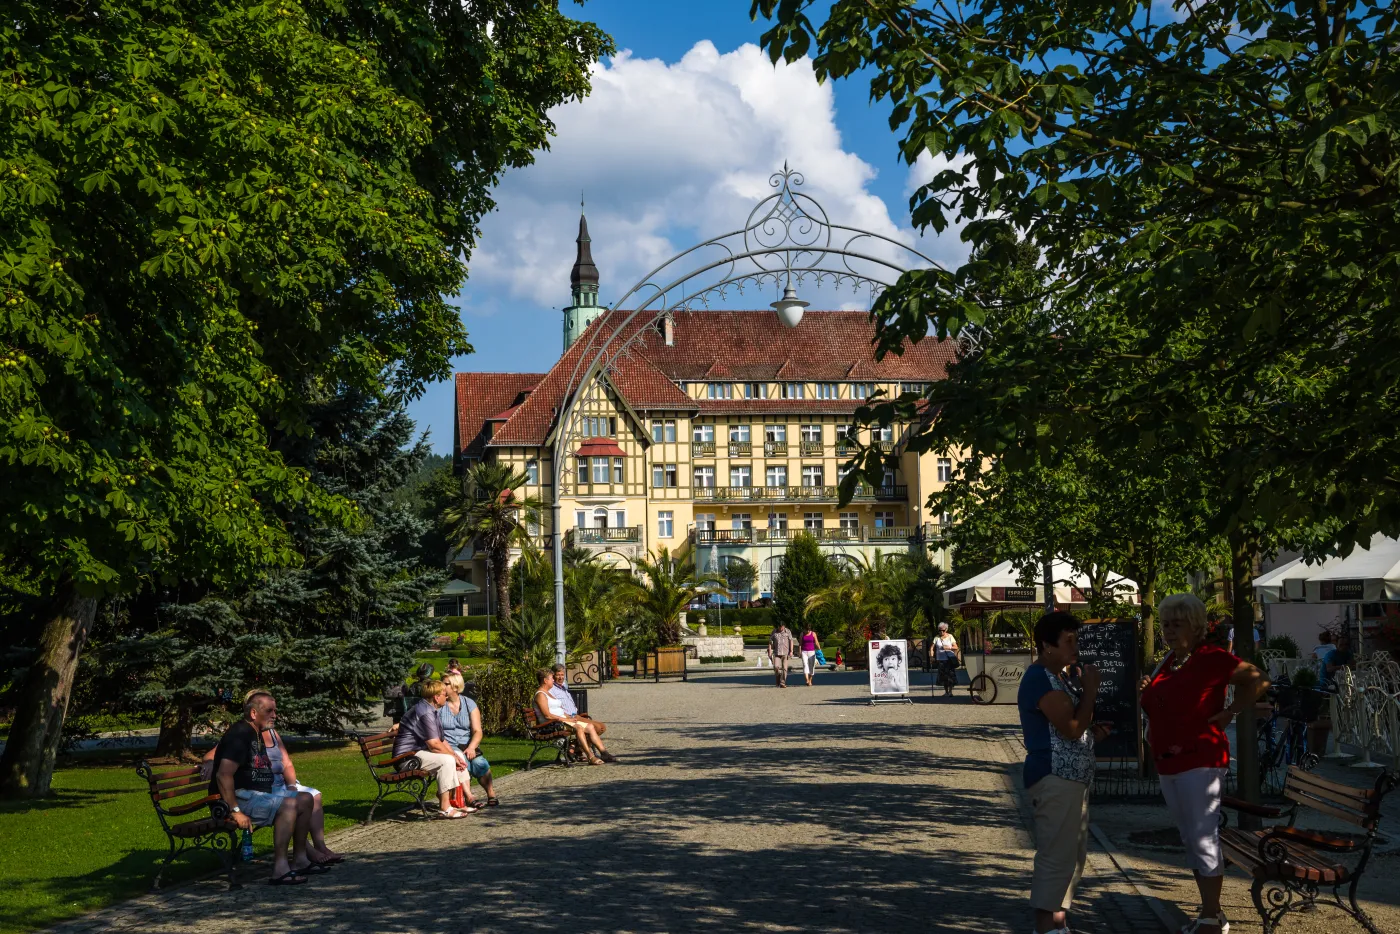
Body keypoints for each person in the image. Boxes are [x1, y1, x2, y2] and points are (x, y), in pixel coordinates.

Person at [1140, 593, 1270, 934]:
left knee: (1202, 837)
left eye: (1176, 623)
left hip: (1201, 758)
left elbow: (1260, 679)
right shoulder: (1168, 660)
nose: (1168, 630)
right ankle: (1210, 911)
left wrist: (1231, 711)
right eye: (1165, 623)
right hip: (1169, 761)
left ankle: (1211, 919)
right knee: (1190, 837)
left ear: (1195, 626)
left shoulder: (1211, 657)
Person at [1018, 612, 1108, 934]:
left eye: (1076, 639)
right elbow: (1069, 728)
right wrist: (1091, 691)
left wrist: (1092, 733)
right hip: (1055, 777)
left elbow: (1074, 728)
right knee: (1056, 856)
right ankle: (1046, 926)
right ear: (1047, 645)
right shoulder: (1040, 678)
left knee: (1072, 857)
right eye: (1068, 640)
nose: (1075, 646)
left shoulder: (1060, 676)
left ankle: (1058, 921)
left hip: (1072, 778)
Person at [201, 696, 342, 870]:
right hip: (237, 798)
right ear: (254, 713)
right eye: (269, 711)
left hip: (258, 793)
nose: (275, 715)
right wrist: (235, 811)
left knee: (306, 799)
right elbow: (223, 775)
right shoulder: (239, 735)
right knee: (289, 806)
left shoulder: (256, 733)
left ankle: (300, 859)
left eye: (275, 711)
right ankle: (281, 868)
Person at [393, 679, 474, 819]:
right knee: (447, 760)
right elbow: (434, 744)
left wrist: (456, 756)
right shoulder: (425, 712)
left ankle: (458, 802)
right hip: (406, 758)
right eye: (444, 694)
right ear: (437, 697)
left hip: (417, 753)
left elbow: (442, 740)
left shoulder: (431, 709)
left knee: (457, 756)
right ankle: (445, 808)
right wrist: (453, 757)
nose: (446, 696)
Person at [438, 672, 498, 807]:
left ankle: (491, 793)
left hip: (466, 744)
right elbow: (423, 718)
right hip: (448, 745)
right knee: (462, 761)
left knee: (479, 762)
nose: (442, 687)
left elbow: (477, 731)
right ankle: (469, 797)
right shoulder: (440, 705)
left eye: (446, 684)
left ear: (455, 686)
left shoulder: (469, 703)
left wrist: (471, 747)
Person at [534, 668, 615, 764]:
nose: (553, 680)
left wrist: (569, 718)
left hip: (561, 721)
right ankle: (590, 756)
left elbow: (559, 711)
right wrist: (564, 719)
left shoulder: (548, 693)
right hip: (552, 725)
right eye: (551, 678)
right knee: (579, 727)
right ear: (545, 680)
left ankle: (604, 753)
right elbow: (547, 715)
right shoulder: (540, 695)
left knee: (590, 727)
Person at [550, 665, 607, 736]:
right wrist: (567, 717)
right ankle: (580, 745)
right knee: (598, 728)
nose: (561, 677)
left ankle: (579, 745)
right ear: (553, 676)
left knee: (602, 726)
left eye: (562, 675)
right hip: (568, 718)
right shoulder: (552, 689)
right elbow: (554, 707)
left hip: (575, 716)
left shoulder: (563, 687)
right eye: (558, 675)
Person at [932, 622, 960, 698]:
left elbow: (956, 647)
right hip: (940, 660)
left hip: (949, 660)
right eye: (940, 630)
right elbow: (932, 648)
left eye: (943, 630)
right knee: (943, 677)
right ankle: (946, 692)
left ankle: (950, 692)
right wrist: (932, 656)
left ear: (946, 630)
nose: (941, 632)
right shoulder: (936, 638)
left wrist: (949, 648)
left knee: (950, 676)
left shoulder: (950, 636)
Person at [768, 621, 795, 688]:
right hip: (776, 653)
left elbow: (791, 641)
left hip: (785, 653)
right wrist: (769, 651)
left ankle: (782, 683)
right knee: (776, 667)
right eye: (779, 627)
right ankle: (778, 676)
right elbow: (770, 642)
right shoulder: (774, 632)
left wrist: (791, 651)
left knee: (785, 668)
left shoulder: (787, 631)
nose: (781, 628)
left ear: (784, 626)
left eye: (782, 626)